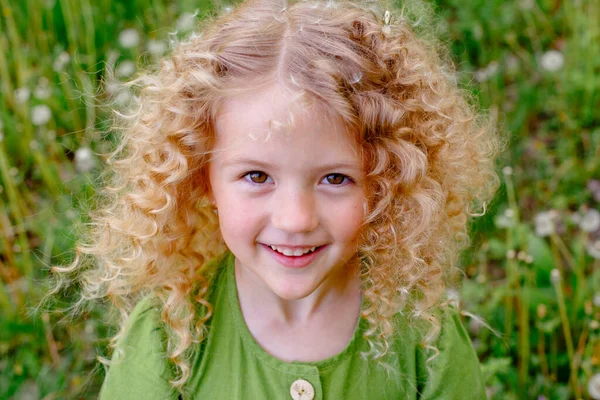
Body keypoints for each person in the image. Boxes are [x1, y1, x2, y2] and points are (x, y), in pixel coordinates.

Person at [52, 0, 501, 398]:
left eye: (335, 179)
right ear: (201, 177)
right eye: (256, 175)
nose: (296, 218)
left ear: (386, 181)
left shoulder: (424, 337)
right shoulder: (169, 335)